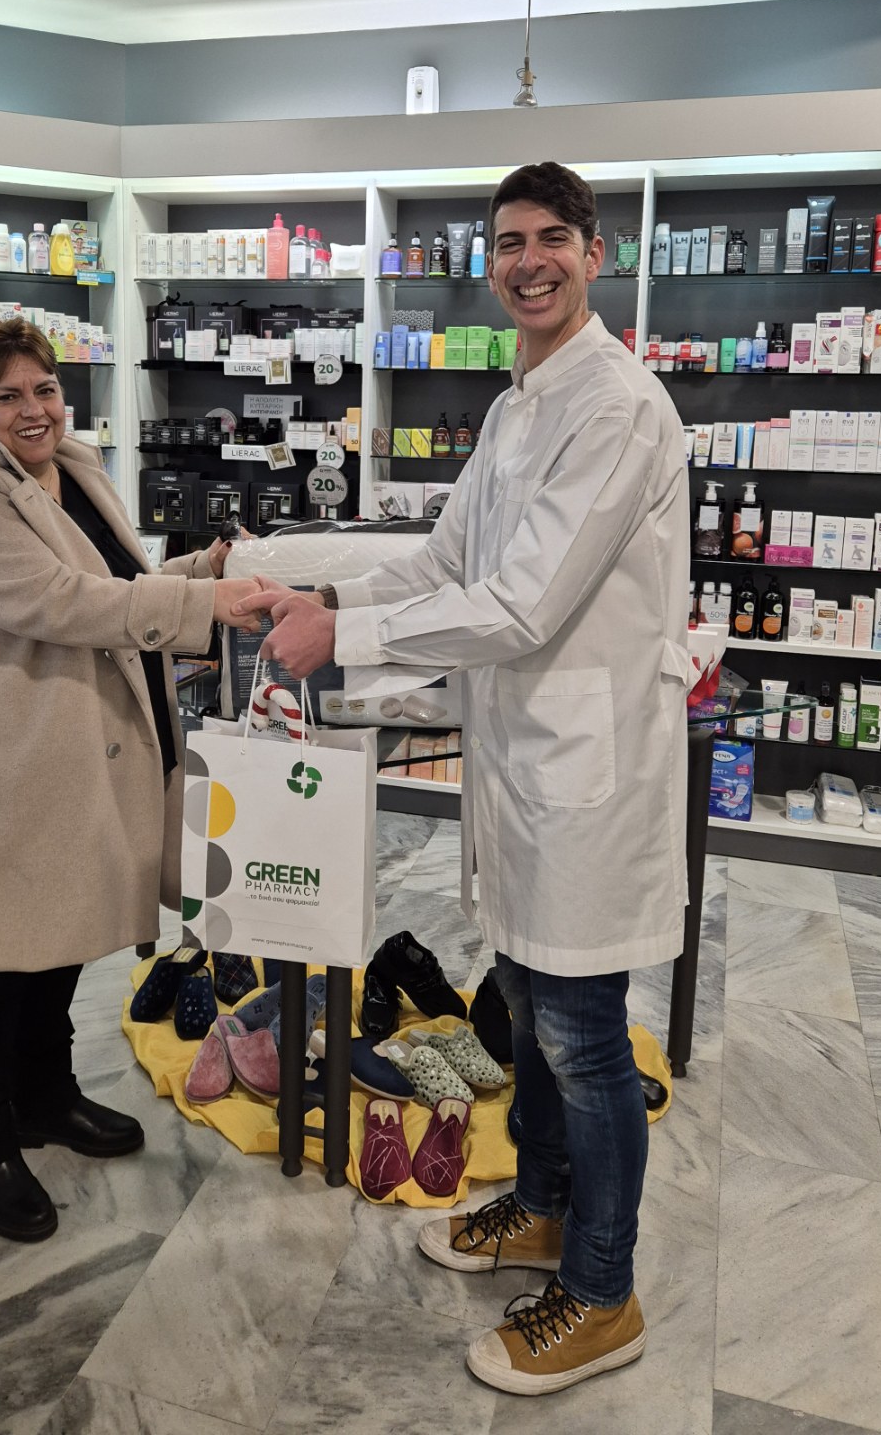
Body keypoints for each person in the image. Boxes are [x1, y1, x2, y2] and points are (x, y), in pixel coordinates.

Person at [237, 162, 689, 1400]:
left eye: (551, 239)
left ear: (596, 254)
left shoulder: (617, 406)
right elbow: (443, 563)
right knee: (528, 1011)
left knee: (586, 1042)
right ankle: (539, 1206)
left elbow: (523, 604)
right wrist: (319, 592)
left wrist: (347, 639)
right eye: (508, 243)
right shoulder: (515, 406)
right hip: (525, 766)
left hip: (587, 774)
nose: (528, 262)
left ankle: (603, 1291)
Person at [0, 317, 259, 1243]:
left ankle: (46, 1095)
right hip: (4, 756)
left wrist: (201, 568)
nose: (33, 409)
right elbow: (52, 600)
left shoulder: (72, 470)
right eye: (6, 396)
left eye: (44, 389)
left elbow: (117, 580)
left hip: (78, 740)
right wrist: (202, 603)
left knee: (59, 927)